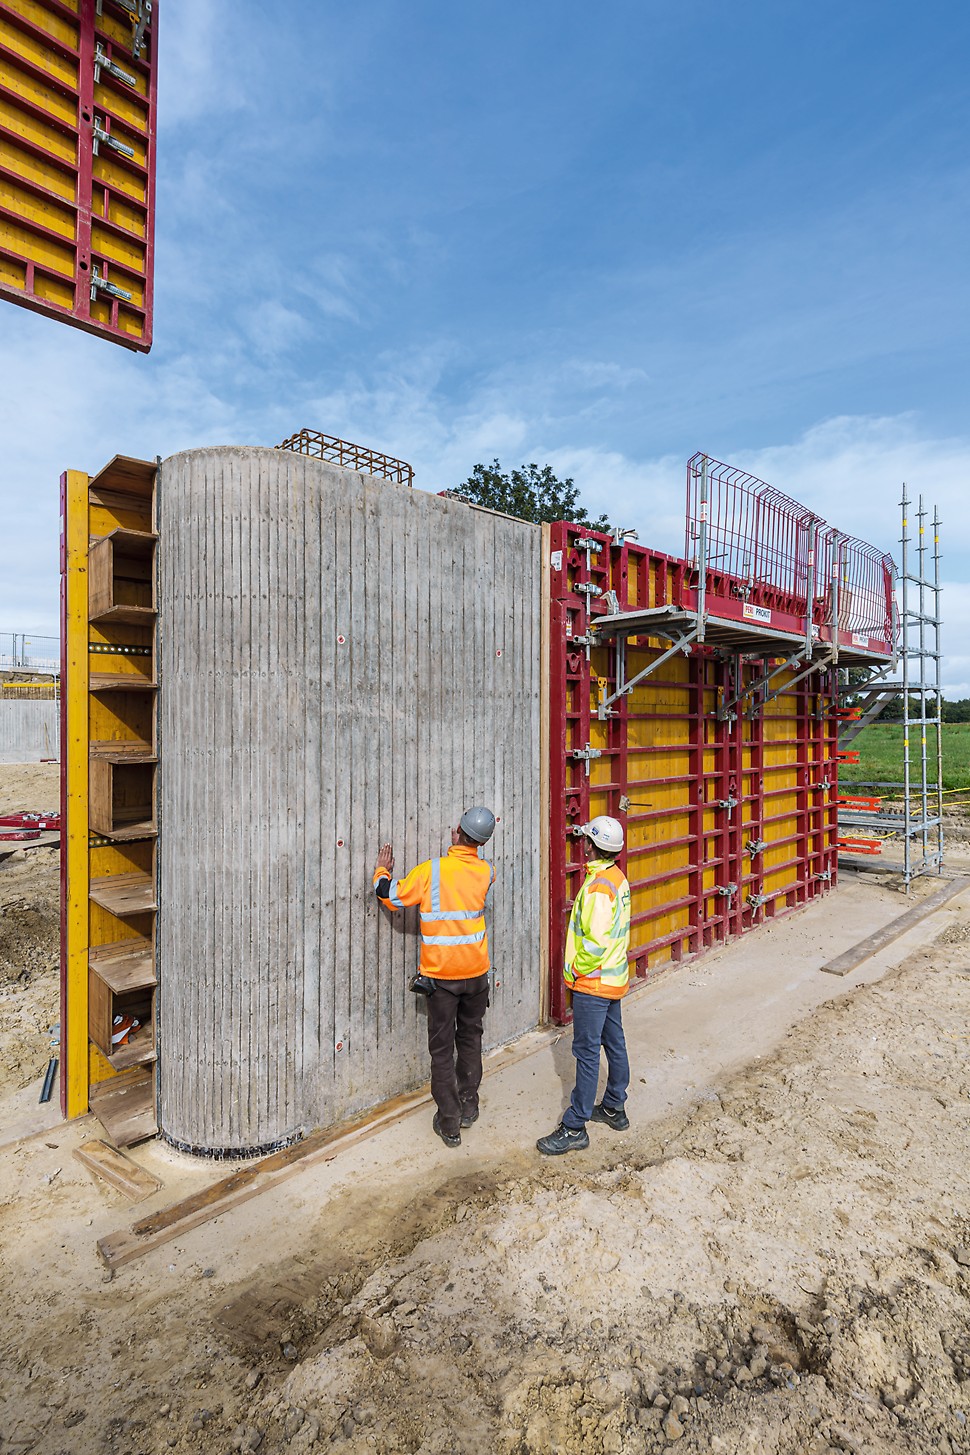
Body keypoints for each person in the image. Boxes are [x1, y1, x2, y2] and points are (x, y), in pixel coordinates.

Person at [372, 808, 496, 1148]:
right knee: (470, 1039)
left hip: (442, 978)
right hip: (477, 975)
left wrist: (381, 871)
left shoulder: (432, 870)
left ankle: (449, 1122)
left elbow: (390, 896)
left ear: (457, 832)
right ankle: (468, 1107)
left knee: (442, 1051)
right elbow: (474, 872)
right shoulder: (486, 871)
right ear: (482, 842)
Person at [538, 815, 632, 1155]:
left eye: (586, 841)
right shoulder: (616, 878)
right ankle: (614, 1107)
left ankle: (575, 1125)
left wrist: (576, 971)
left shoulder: (597, 888)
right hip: (613, 979)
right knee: (614, 1042)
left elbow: (595, 942)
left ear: (591, 846)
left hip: (593, 983)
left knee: (587, 1052)